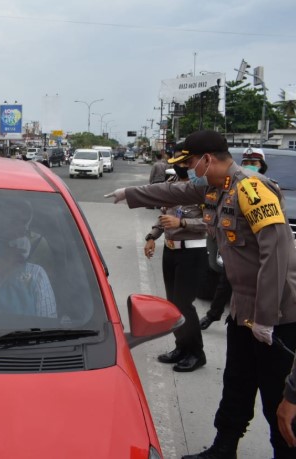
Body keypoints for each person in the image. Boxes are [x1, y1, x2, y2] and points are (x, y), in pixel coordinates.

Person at [105, 130, 296, 459]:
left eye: (192, 162)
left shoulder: (253, 189)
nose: (190, 169)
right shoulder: (215, 186)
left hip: (277, 316)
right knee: (236, 383)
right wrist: (130, 193)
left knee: (277, 398)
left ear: (208, 159)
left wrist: (265, 319)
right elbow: (173, 189)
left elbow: (275, 257)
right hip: (243, 310)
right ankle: (224, 448)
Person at [143, 144, 208, 372]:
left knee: (184, 304)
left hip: (192, 251)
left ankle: (196, 353)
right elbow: (164, 216)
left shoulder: (203, 190)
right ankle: (181, 346)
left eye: (185, 163)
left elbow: (212, 223)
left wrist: (183, 223)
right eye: (178, 164)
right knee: (173, 304)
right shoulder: (171, 186)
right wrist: (152, 236)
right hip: (170, 250)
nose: (182, 167)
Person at [200, 148, 270, 330]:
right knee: (225, 283)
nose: (249, 166)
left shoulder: (267, 187)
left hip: (258, 251)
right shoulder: (232, 185)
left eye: (254, 163)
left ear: (262, 166)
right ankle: (213, 315)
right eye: (245, 163)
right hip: (234, 246)